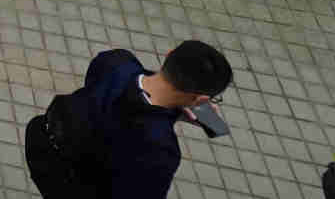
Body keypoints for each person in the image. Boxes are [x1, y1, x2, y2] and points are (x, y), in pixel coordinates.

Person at [25, 42, 232, 198]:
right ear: (201, 99)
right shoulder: (159, 150)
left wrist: (171, 112)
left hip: (42, 138)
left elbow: (116, 100)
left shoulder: (116, 61)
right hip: (72, 186)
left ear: (168, 55)